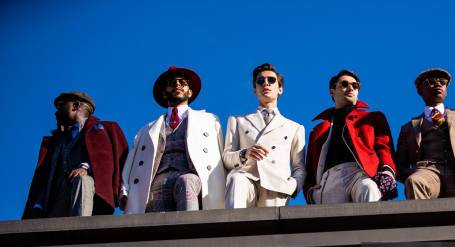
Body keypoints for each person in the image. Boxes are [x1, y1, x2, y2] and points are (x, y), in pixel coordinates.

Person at [121, 66, 226, 213]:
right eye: (171, 83)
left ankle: (189, 233)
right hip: (157, 181)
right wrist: (124, 190)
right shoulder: (146, 130)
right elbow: (131, 163)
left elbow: (222, 154)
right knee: (158, 228)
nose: (177, 85)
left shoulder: (210, 120)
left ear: (190, 92)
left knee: (187, 182)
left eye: (182, 82)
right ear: (164, 93)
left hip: (192, 176)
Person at [23, 92, 128, 218]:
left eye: (61, 106)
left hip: (84, 192)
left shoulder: (100, 129)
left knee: (83, 181)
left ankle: (81, 233)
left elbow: (105, 160)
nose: (56, 112)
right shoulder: (56, 142)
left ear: (75, 105)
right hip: (55, 199)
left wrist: (86, 168)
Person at [396, 68, 455, 199]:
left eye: (442, 82)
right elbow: (400, 166)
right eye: (431, 81)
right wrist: (415, 173)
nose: (438, 84)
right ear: (420, 91)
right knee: (415, 182)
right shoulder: (408, 128)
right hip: (428, 172)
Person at [305, 69, 397, 204]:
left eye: (355, 85)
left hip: (361, 173)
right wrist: (310, 192)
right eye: (344, 84)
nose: (350, 88)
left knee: (369, 189)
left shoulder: (373, 118)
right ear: (332, 91)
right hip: (330, 178)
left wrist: (387, 172)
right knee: (334, 222)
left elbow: (384, 147)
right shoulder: (318, 130)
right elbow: (310, 166)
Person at [223, 63, 305, 208]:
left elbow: (299, 166)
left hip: (277, 185)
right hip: (246, 178)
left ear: (280, 89)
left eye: (271, 80)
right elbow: (226, 158)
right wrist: (245, 153)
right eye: (260, 81)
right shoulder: (237, 121)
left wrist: (293, 185)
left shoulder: (295, 128)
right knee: (236, 180)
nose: (266, 83)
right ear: (255, 89)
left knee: (271, 229)